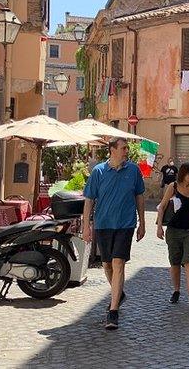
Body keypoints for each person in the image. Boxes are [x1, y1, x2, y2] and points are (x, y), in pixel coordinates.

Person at [81, 138, 146, 331]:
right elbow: (89, 200)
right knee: (107, 264)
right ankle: (119, 294)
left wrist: (142, 222)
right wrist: (86, 226)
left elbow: (139, 197)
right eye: (124, 148)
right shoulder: (99, 172)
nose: (127, 151)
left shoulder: (134, 171)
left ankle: (113, 310)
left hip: (125, 224)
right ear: (112, 150)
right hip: (103, 224)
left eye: (127, 148)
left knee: (118, 262)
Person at [155, 162, 189, 309]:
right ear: (183, 174)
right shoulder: (172, 187)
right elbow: (162, 207)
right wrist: (159, 227)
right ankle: (176, 290)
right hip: (174, 230)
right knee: (175, 262)